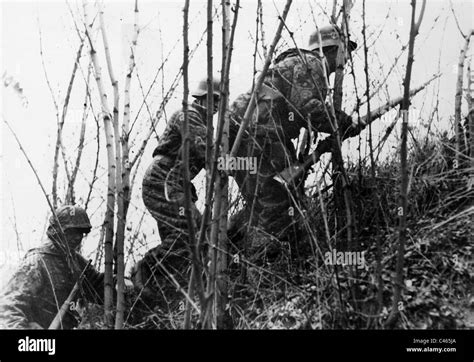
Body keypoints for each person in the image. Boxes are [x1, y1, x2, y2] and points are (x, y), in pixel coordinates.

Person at [229, 25, 357, 243]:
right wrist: (343, 121)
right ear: (332, 48)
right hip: (260, 131)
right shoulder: (313, 63)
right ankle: (266, 258)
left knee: (260, 201)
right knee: (280, 200)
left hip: (237, 132)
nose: (348, 58)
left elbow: (297, 108)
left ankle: (229, 242)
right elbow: (308, 107)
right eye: (346, 50)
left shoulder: (293, 63)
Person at [134, 78, 221, 305]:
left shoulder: (201, 122)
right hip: (163, 180)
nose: (217, 108)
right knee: (192, 230)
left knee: (179, 239)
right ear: (204, 99)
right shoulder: (188, 115)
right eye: (215, 101)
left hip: (174, 182)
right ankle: (143, 270)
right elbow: (205, 148)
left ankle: (158, 288)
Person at [0, 205, 104, 329]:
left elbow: (99, 287)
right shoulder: (37, 262)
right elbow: (9, 307)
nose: (77, 237)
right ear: (56, 232)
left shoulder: (77, 262)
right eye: (71, 232)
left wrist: (122, 283)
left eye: (81, 232)